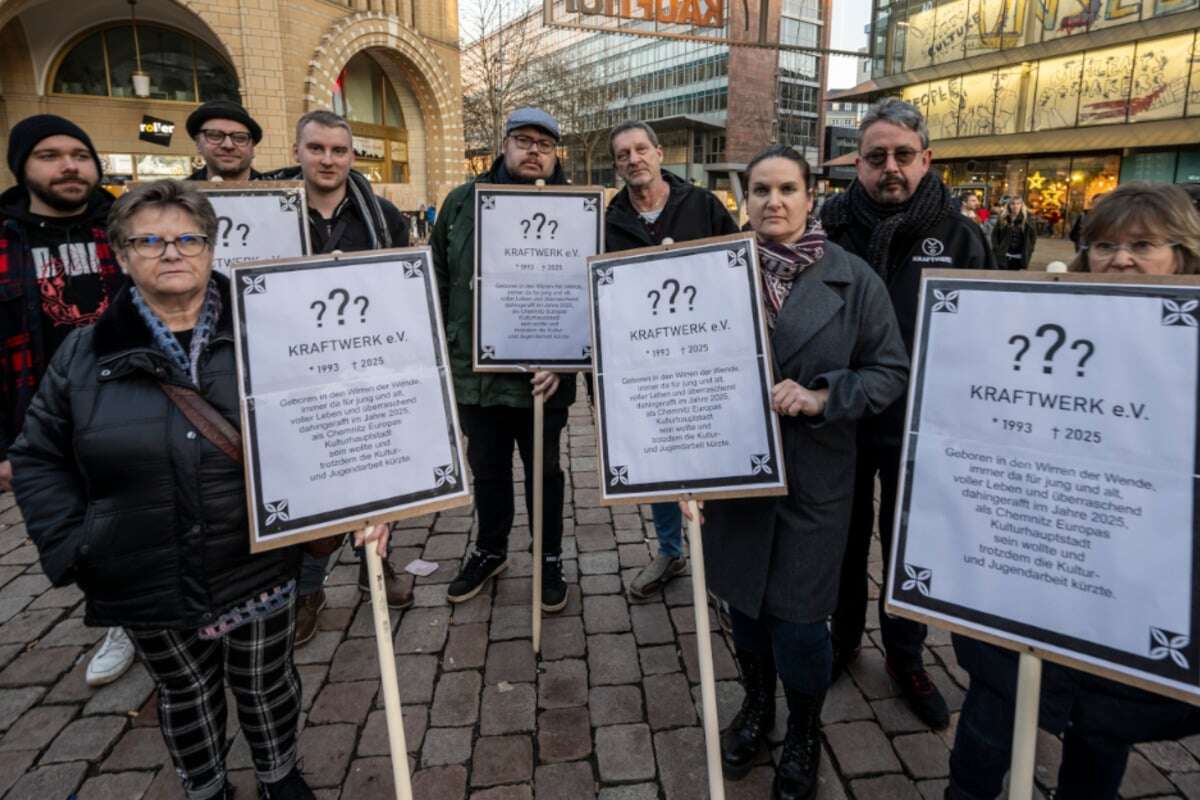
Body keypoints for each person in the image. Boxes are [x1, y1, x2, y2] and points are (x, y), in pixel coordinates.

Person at [10, 180, 395, 800]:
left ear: (212, 249)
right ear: (122, 253)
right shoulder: (84, 354)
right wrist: (77, 545)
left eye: (188, 238)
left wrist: (363, 504)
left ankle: (279, 774)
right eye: (150, 240)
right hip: (143, 567)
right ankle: (206, 784)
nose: (171, 252)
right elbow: (36, 457)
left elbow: (331, 421)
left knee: (266, 679)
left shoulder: (272, 335)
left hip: (253, 557)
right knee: (184, 691)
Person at [948, 182, 1200, 800]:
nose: (1120, 259)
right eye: (1105, 245)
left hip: (1121, 585)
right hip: (1022, 569)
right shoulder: (1041, 321)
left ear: (1183, 255)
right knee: (987, 730)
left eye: (1143, 245)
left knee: (1097, 749)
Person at [695, 144, 907, 800]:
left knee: (799, 619)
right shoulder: (713, 272)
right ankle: (758, 706)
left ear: (810, 196)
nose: (773, 202)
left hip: (814, 478)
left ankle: (805, 727)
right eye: (760, 190)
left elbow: (890, 371)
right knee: (746, 609)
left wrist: (822, 395)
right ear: (746, 199)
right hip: (734, 473)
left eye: (787, 188)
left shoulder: (853, 279)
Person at [820, 97, 994, 730]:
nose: (888, 167)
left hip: (920, 430)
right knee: (840, 543)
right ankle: (842, 641)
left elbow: (987, 343)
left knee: (906, 547)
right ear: (856, 164)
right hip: (839, 420)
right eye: (875, 157)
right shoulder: (828, 230)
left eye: (902, 155)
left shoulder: (962, 236)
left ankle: (905, 655)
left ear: (926, 159)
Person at [0, 114, 135, 688]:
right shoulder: (6, 240)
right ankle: (122, 618)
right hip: (42, 412)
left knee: (141, 510)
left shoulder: (125, 228)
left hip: (129, 399)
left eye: (79, 153)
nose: (69, 166)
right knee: (81, 527)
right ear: (24, 168)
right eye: (50, 155)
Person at [274, 110, 411, 644]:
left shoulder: (383, 217)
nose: (328, 159)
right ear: (298, 151)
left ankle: (377, 567)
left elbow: (402, 293)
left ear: (352, 156)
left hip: (370, 367)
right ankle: (309, 587)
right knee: (312, 485)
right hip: (301, 370)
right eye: (317, 149)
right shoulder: (273, 213)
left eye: (338, 150)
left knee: (380, 477)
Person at [432, 108, 573, 611]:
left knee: (545, 472)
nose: (534, 151)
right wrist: (453, 346)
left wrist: (566, 359)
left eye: (545, 144)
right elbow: (440, 276)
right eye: (523, 140)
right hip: (477, 374)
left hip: (545, 376)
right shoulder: (462, 203)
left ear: (555, 154)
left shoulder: (575, 207)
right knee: (487, 468)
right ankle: (490, 548)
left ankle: (549, 556)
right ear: (504, 144)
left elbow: (591, 291)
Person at [605, 120, 739, 598]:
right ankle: (670, 550)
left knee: (717, 453)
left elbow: (733, 270)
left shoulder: (702, 206)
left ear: (660, 154)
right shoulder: (606, 222)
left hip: (706, 355)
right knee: (657, 457)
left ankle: (722, 564)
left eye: (641, 149)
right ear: (617, 164)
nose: (633, 159)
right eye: (623, 154)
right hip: (644, 362)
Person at [186, 100, 265, 182]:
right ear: (198, 144)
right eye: (215, 136)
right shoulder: (179, 194)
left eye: (240, 138)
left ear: (252, 148)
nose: (228, 145)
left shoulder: (277, 191)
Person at [991, 195, 1037, 269]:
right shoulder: (1003, 218)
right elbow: (994, 235)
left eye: (1018, 203)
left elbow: (1033, 237)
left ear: (1021, 205)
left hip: (1019, 256)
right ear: (1009, 205)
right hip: (1004, 255)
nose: (1015, 206)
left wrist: (1029, 250)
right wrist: (997, 249)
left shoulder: (1028, 220)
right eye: (1012, 204)